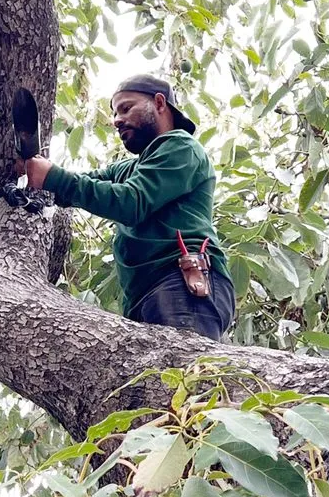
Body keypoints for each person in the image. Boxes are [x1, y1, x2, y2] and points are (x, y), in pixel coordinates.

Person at [23, 74, 235, 341]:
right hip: (148, 294)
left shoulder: (180, 147)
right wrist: (31, 168)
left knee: (184, 379)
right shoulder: (130, 168)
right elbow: (82, 185)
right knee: (154, 381)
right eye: (114, 113)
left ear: (159, 103)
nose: (116, 120)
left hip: (179, 284)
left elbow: (130, 203)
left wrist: (52, 177)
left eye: (126, 108)